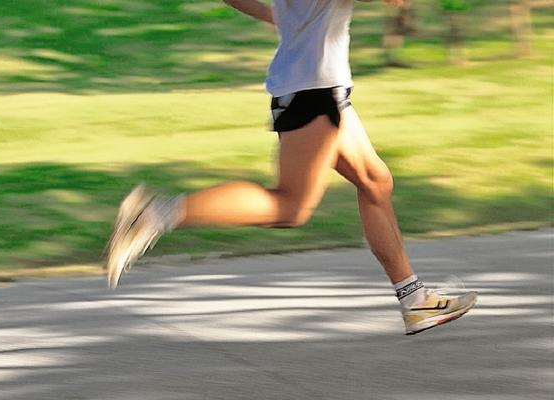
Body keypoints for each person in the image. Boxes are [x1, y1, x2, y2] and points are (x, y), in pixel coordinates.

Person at [104, 0, 477, 335]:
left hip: (314, 87)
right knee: (289, 207)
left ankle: (415, 300)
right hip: (313, 93)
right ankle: (154, 214)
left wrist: (275, 15)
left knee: (376, 181)